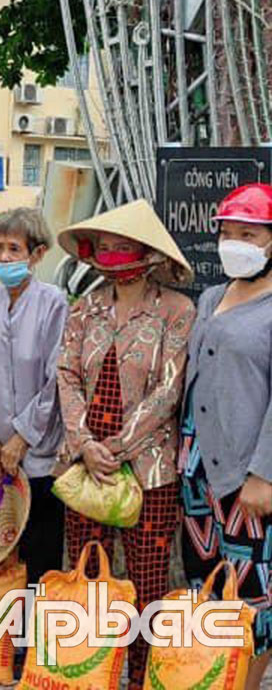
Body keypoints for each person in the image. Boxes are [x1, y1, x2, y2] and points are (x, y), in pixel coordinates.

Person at [56, 199, 194, 686]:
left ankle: (143, 674)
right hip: (85, 463)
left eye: (124, 248)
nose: (114, 256)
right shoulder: (83, 307)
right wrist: (85, 441)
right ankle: (88, 670)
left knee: (148, 575)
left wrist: (116, 447)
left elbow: (168, 390)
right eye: (106, 247)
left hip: (149, 467)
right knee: (88, 570)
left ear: (148, 253)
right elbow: (67, 374)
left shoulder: (178, 310)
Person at [180, 183, 272, 688]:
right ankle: (213, 676)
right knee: (207, 579)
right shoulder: (213, 296)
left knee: (253, 590)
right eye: (227, 232)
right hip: (197, 466)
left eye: (249, 233)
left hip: (247, 471)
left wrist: (264, 474)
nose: (234, 241)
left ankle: (247, 683)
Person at [0, 207, 67, 586]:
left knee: (40, 550)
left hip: (37, 453)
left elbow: (57, 380)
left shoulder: (54, 303)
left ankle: (33, 637)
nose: (4, 258)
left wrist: (21, 439)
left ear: (37, 255)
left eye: (14, 249)